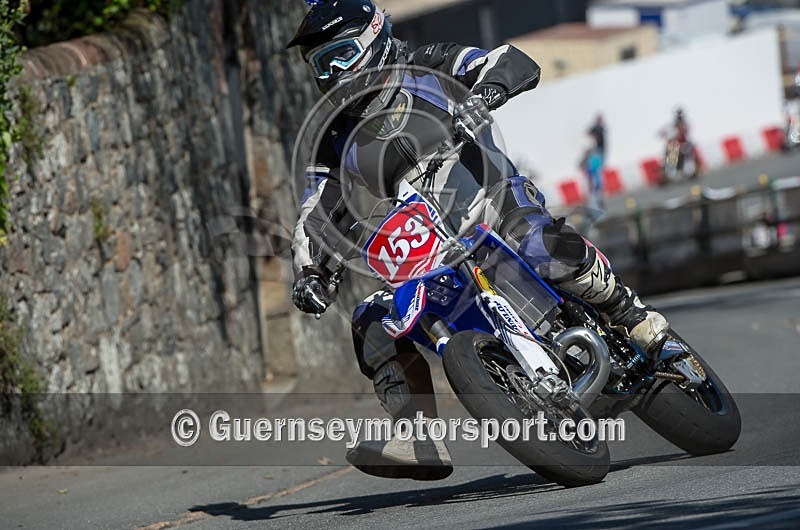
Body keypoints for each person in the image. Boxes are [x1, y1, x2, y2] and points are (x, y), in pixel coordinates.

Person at [288, 0, 669, 480]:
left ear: (373, 36)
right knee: (371, 319)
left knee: (536, 242)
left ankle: (627, 312)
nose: (332, 73)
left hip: (490, 201)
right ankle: (416, 434)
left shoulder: (428, 64)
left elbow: (504, 61)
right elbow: (314, 210)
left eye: (340, 55)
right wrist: (311, 271)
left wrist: (486, 91)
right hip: (422, 243)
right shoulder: (331, 137)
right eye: (321, 64)